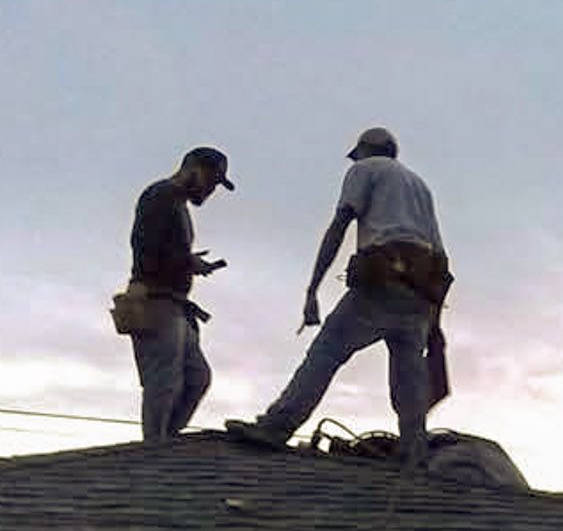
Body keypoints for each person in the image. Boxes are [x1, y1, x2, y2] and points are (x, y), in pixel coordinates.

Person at [228, 127, 451, 466]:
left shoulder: (365, 170)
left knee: (327, 350)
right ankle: (414, 451)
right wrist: (434, 321)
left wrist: (313, 288)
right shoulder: (420, 186)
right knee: (409, 379)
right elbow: (441, 257)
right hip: (420, 292)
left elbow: (340, 224)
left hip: (382, 281)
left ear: (366, 150)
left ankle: (276, 427)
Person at [125, 146, 232, 443]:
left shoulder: (175, 202)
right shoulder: (162, 196)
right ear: (192, 169)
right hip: (156, 301)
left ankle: (166, 438)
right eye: (211, 181)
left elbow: (161, 250)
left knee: (196, 378)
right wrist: (188, 262)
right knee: (164, 380)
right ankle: (155, 447)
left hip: (173, 303)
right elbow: (147, 249)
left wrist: (188, 262)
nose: (210, 191)